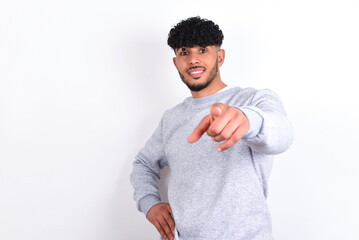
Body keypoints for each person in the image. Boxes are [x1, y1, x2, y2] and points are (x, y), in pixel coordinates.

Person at [130, 16, 293, 240]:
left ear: (220, 56)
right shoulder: (170, 118)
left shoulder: (252, 100)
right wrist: (150, 204)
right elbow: (143, 164)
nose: (193, 60)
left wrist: (247, 120)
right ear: (176, 62)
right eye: (184, 52)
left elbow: (282, 134)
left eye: (203, 50)